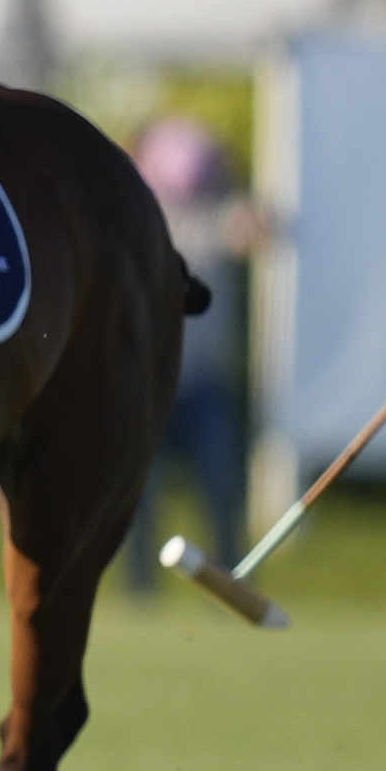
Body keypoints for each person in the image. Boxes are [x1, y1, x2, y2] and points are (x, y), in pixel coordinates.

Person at [124, 110, 255, 585]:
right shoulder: (138, 218)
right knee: (138, 503)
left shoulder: (217, 213)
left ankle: (232, 581)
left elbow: (251, 228)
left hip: (205, 385)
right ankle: (141, 592)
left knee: (223, 496)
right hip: (149, 387)